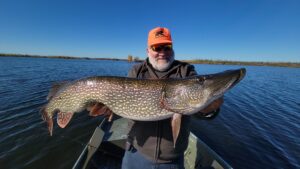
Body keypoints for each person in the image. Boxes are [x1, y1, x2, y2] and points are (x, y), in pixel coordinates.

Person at [121, 27, 223, 169]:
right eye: (157, 47)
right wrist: (103, 108)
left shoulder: (186, 71)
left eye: (167, 47)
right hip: (137, 151)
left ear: (172, 48)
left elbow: (200, 109)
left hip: (171, 160)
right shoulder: (136, 71)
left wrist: (210, 109)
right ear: (148, 50)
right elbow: (123, 105)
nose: (162, 53)